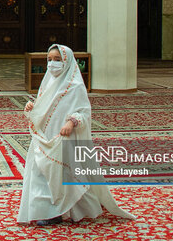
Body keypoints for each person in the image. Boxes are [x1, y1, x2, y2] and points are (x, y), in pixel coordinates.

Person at [18, 44, 135, 226]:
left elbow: (84, 112)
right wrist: (31, 107)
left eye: (57, 60)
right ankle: (47, 211)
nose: (52, 64)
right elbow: (43, 108)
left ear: (67, 61)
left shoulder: (75, 86)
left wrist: (71, 122)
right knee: (41, 173)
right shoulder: (47, 82)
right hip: (45, 138)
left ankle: (63, 211)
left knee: (64, 174)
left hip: (64, 138)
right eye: (49, 60)